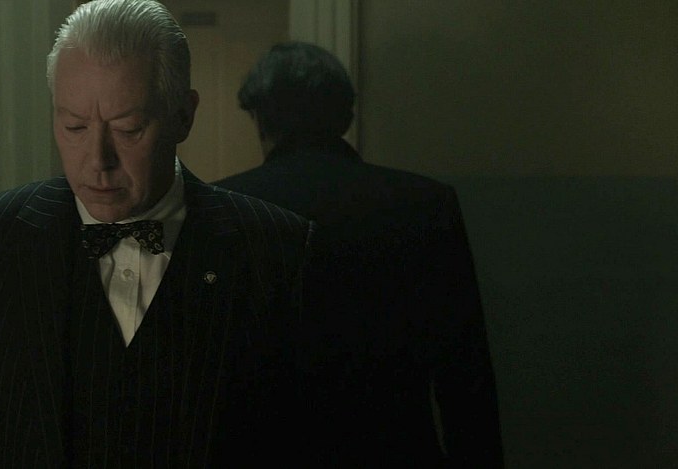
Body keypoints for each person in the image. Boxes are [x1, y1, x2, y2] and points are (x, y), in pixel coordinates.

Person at [0, 2, 314, 467]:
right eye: (74, 126)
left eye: (128, 129)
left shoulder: (275, 248)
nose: (98, 160)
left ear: (183, 116)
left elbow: (300, 437)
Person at [215, 41, 504, 467]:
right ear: (346, 117)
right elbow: (464, 369)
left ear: (260, 119)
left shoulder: (224, 210)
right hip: (397, 450)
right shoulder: (424, 204)